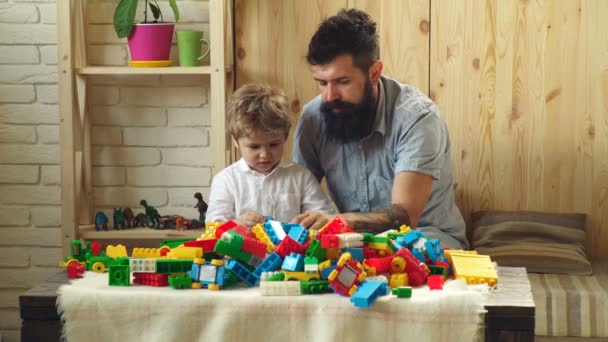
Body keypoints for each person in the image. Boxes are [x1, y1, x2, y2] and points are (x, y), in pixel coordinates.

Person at [292, 8, 468, 249]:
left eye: (343, 82)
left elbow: (405, 217)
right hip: (350, 242)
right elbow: (296, 191)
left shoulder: (417, 117)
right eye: (322, 83)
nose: (329, 95)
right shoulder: (314, 116)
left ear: (374, 73)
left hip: (423, 237)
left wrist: (338, 222)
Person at [206, 83, 336, 228]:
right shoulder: (226, 180)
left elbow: (323, 216)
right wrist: (238, 224)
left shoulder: (301, 177)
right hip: (242, 250)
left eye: (274, 145)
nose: (265, 154)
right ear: (235, 141)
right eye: (254, 146)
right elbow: (213, 226)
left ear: (285, 137)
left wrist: (307, 222)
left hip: (292, 250)